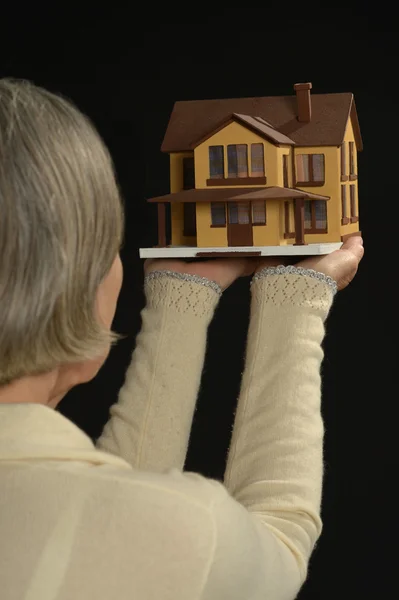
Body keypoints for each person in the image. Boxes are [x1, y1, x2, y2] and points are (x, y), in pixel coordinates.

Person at [0, 78, 364, 600]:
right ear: (82, 288)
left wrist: (183, 300)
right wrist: (297, 297)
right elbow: (275, 546)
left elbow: (106, 519)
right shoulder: (192, 529)